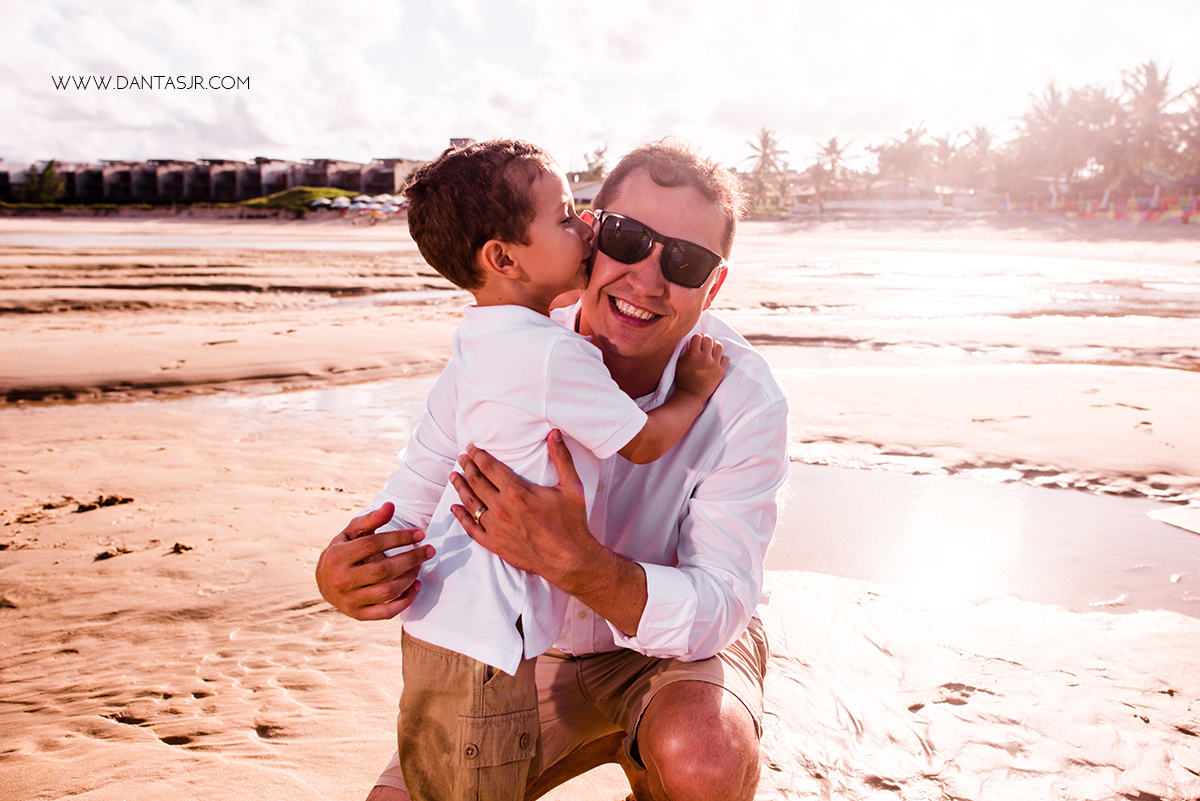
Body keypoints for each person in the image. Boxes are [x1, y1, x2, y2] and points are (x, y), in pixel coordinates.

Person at [316, 139, 790, 801]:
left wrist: (578, 563)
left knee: (701, 757)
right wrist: (350, 568)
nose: (647, 280)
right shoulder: (518, 342)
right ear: (593, 235)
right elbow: (425, 463)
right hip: (523, 650)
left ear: (714, 286)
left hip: (679, 655)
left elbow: (719, 605)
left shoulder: (744, 397)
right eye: (628, 238)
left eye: (685, 261)